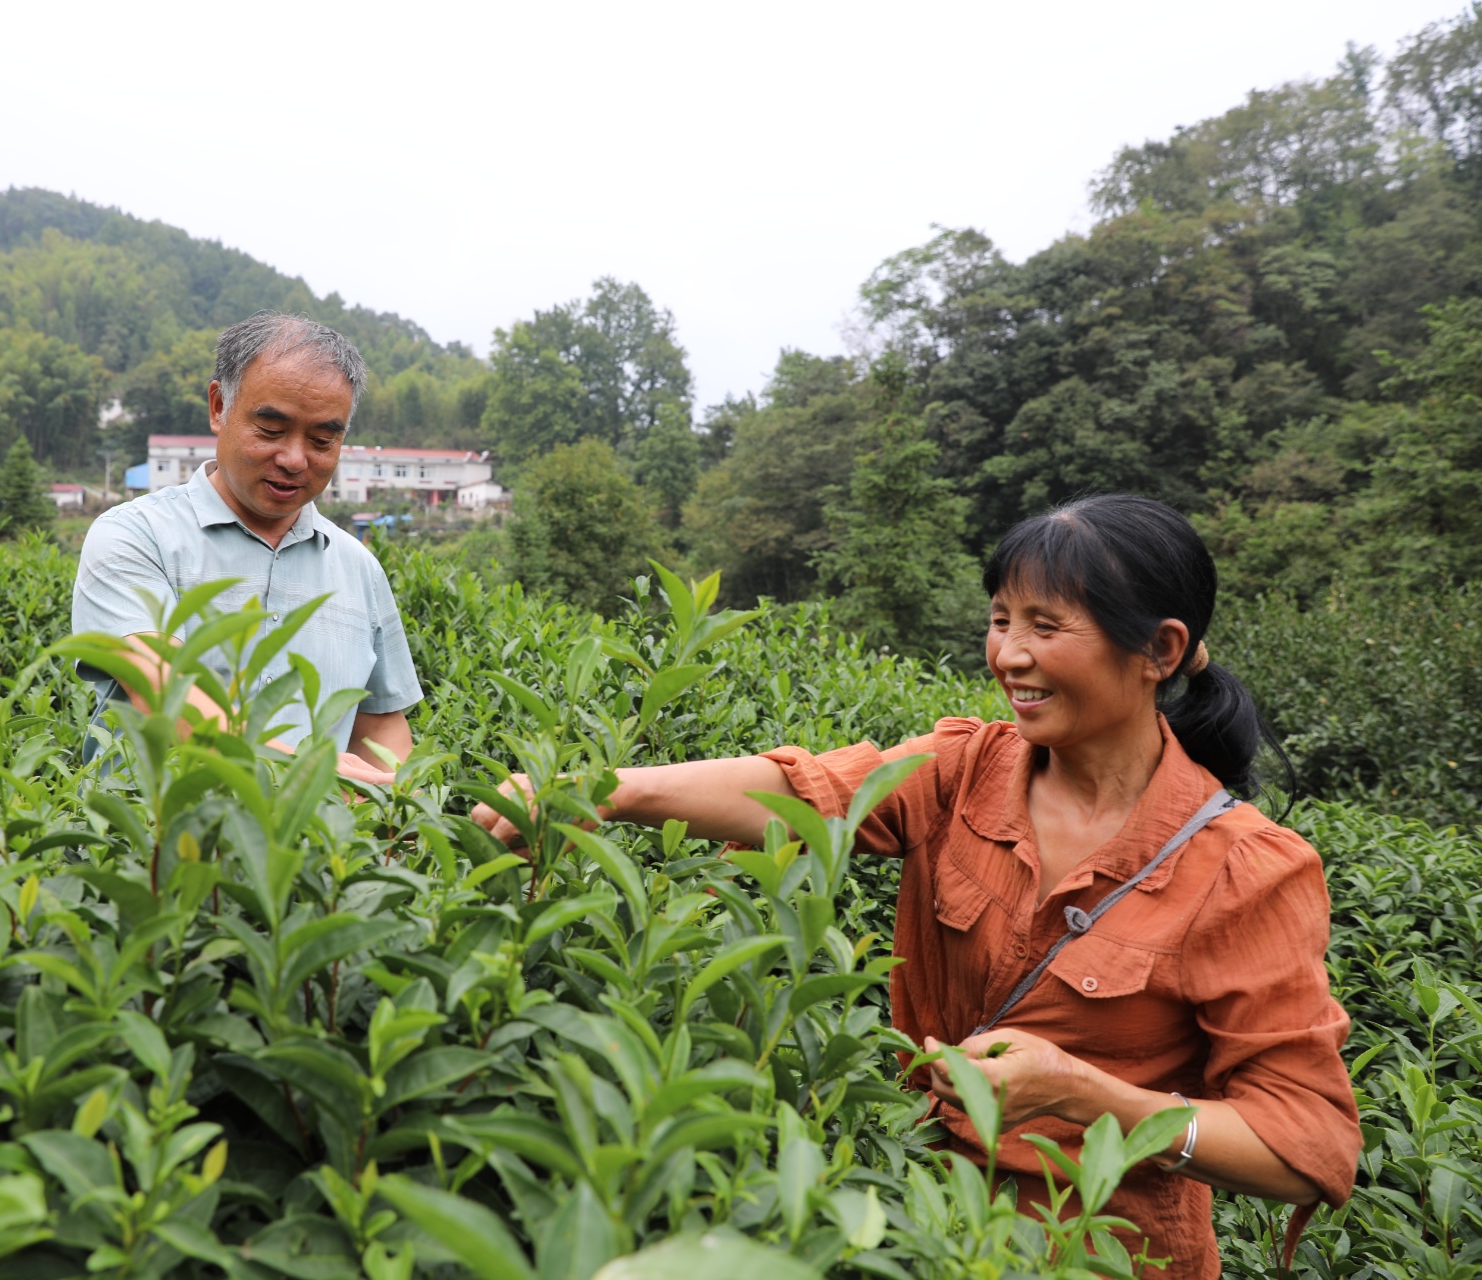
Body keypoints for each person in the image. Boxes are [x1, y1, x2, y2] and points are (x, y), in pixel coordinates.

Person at [471, 494, 1358, 1277]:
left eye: (1046, 627)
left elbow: (1306, 1144)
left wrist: (1092, 1097)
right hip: (913, 1218)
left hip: (1097, 1249)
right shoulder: (967, 768)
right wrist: (614, 789)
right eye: (1000, 618)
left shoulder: (1246, 869)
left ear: (1158, 650)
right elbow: (806, 789)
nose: (1009, 653)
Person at [73, 313, 421, 780]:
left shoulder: (358, 568)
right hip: (152, 846)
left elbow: (380, 727)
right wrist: (302, 773)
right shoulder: (135, 536)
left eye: (322, 439)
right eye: (271, 431)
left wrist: (394, 811)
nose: (295, 459)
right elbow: (163, 691)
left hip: (316, 850)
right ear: (219, 407)